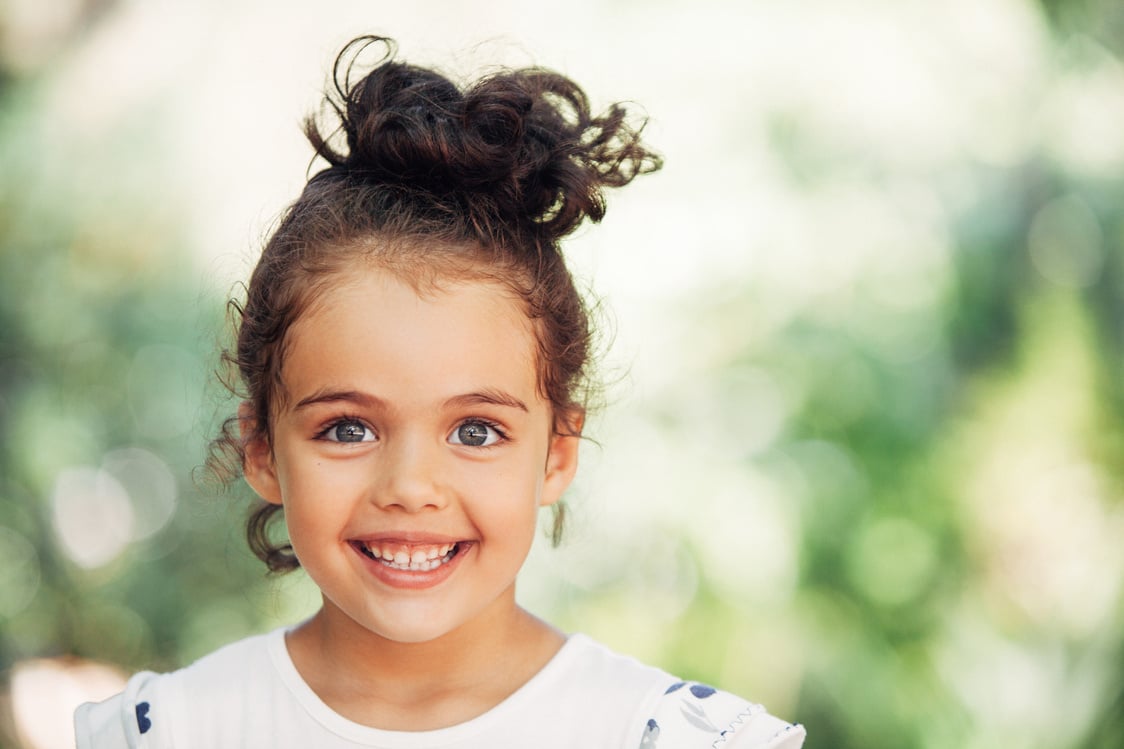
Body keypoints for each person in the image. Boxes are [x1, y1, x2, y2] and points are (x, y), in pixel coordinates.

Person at [74, 35, 806, 748]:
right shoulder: (169, 731)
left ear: (557, 452)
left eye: (476, 430)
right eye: (348, 428)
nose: (411, 487)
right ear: (262, 448)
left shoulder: (674, 736)